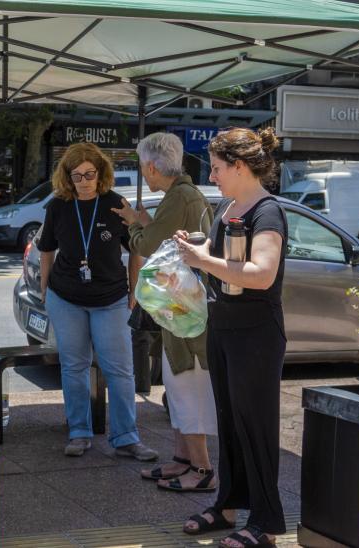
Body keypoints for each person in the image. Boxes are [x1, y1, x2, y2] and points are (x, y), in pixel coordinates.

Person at [174, 127, 287, 547]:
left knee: (255, 427)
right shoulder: (229, 206)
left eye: (218, 168)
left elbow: (262, 273)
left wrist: (204, 260)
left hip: (256, 334)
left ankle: (266, 524)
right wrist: (196, 245)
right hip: (224, 327)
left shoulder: (267, 211)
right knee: (231, 423)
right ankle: (226, 506)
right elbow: (223, 250)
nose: (214, 176)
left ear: (239, 167)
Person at [111, 132, 218, 492]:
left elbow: (146, 244)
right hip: (183, 306)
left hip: (184, 310)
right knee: (177, 382)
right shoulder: (188, 194)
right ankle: (183, 460)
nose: (144, 175)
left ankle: (201, 470)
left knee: (187, 387)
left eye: (143, 168)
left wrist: (133, 221)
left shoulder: (179, 197)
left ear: (153, 167)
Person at [38, 142, 157, 461]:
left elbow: (136, 250)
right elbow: (46, 249)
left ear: (101, 172)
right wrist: (44, 287)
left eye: (90, 174)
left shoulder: (116, 203)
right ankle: (79, 432)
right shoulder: (58, 206)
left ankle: (126, 437)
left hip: (111, 298)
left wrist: (135, 290)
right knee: (73, 366)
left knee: (119, 369)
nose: (84, 181)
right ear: (67, 176)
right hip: (66, 298)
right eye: (77, 175)